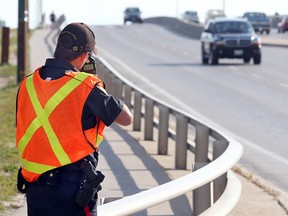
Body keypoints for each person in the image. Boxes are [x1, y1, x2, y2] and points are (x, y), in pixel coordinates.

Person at [16, 22, 133, 216]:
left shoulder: (27, 83)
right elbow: (126, 118)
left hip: (35, 188)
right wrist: (97, 87)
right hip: (72, 189)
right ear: (86, 55)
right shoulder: (85, 86)